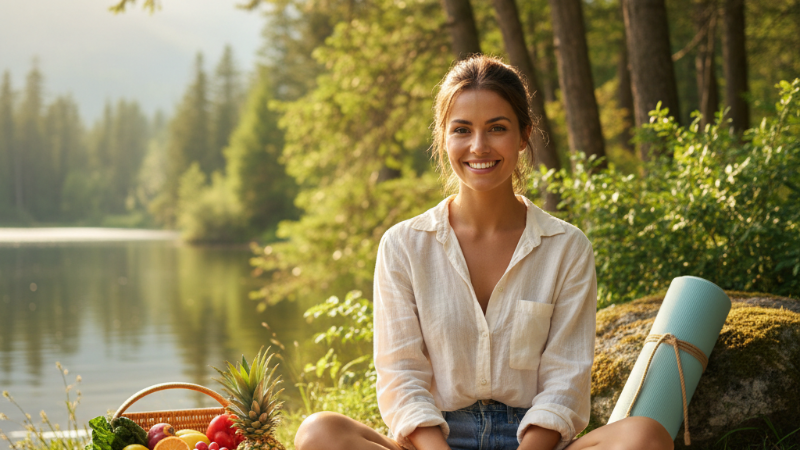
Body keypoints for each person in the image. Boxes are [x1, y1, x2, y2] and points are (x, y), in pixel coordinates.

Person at [294, 55, 674, 450]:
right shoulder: (404, 245)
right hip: (435, 439)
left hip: (533, 440)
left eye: (497, 128)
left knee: (644, 437)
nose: (479, 146)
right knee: (320, 433)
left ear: (524, 135)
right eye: (462, 129)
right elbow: (401, 375)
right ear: (443, 136)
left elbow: (566, 379)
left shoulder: (566, 248)